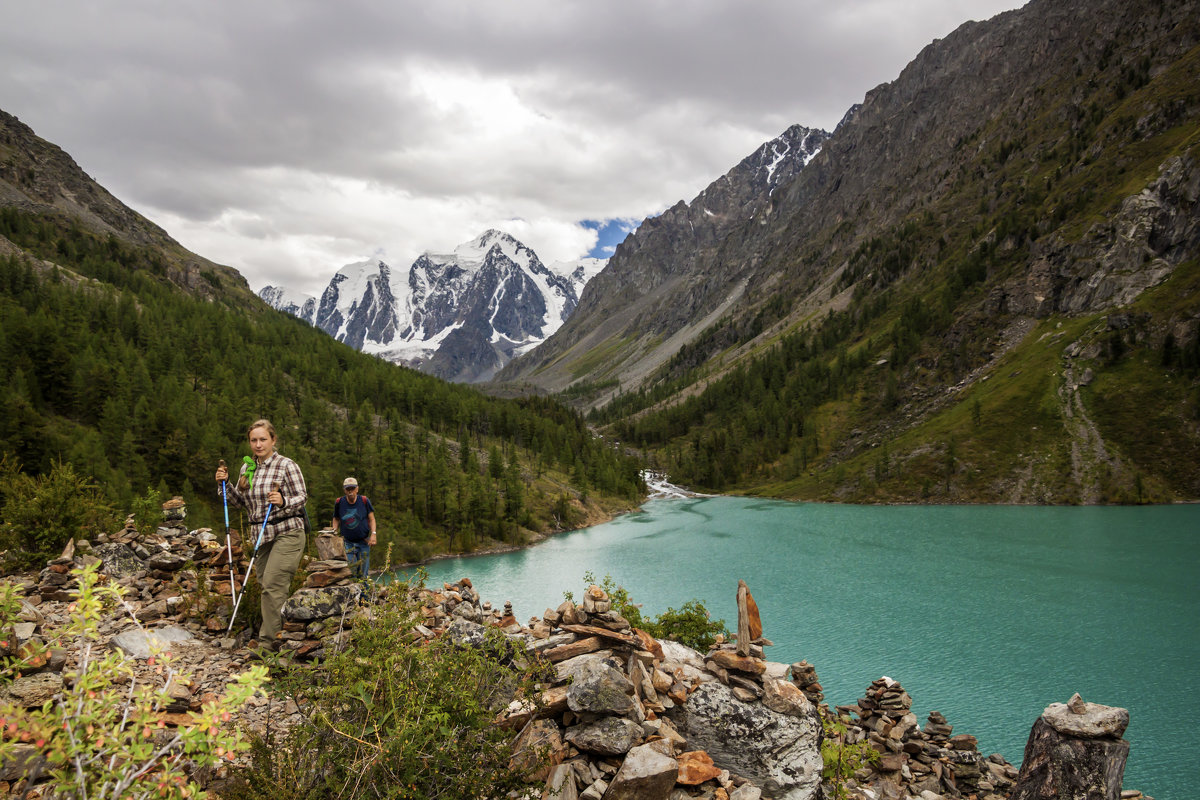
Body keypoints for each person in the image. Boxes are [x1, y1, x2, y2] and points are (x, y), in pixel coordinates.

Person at [215, 419, 308, 649]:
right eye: (254, 440)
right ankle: (286, 634)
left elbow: (302, 497)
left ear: (273, 440)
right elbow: (238, 502)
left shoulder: (287, 465)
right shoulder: (247, 468)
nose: (258, 444)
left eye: (263, 439)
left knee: (273, 584)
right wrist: (225, 485)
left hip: (288, 530)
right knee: (266, 586)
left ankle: (269, 646)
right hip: (261, 535)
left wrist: (283, 500)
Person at [332, 476, 376, 580]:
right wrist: (334, 531)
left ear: (357, 489)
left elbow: (372, 519)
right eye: (348, 489)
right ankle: (353, 595)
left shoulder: (364, 500)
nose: (350, 491)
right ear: (344, 490)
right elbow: (336, 518)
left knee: (364, 573)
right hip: (348, 543)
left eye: (352, 488)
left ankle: (364, 596)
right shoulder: (339, 502)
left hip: (364, 542)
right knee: (351, 571)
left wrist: (373, 534)